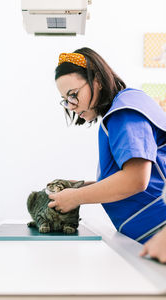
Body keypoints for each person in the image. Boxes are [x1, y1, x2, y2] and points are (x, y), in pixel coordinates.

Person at [48, 47, 166, 248]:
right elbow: (138, 177)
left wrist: (75, 198)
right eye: (66, 101)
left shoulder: (124, 112)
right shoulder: (126, 106)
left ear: (97, 81)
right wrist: (80, 186)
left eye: (73, 94)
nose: (72, 106)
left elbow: (136, 180)